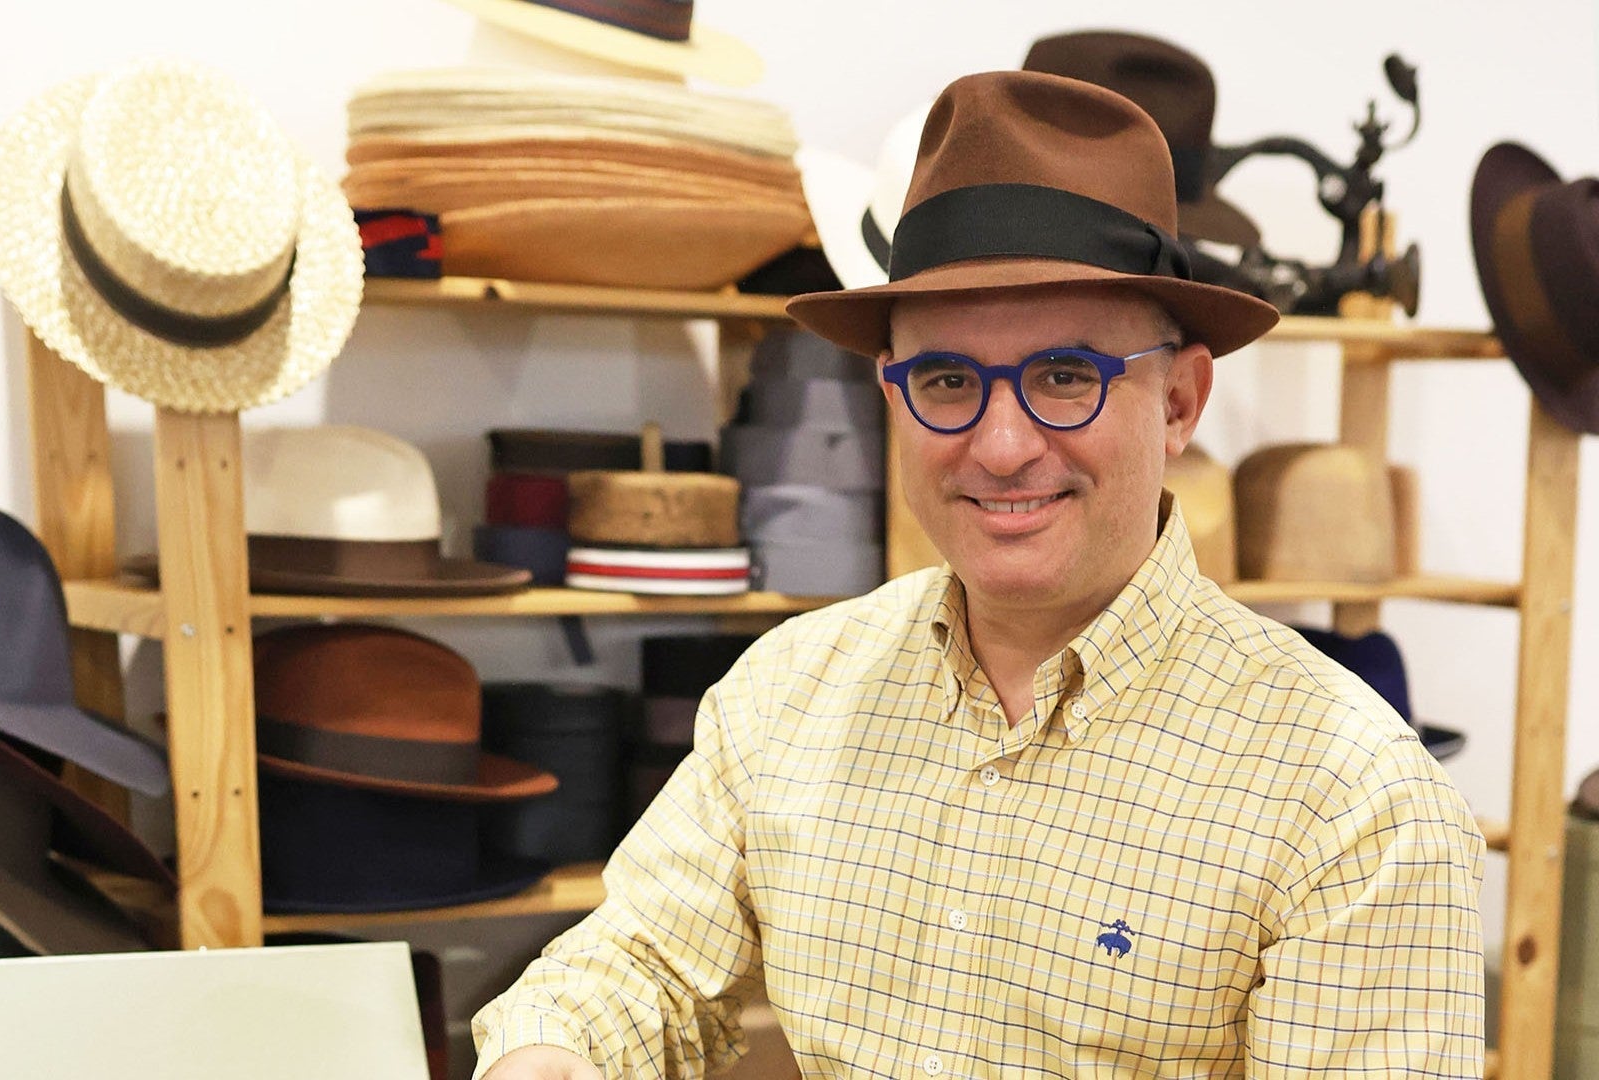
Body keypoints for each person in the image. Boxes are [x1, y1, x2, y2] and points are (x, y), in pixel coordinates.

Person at [472, 70, 1485, 1079]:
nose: (1001, 446)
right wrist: (556, 1047)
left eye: (1064, 376)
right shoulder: (789, 693)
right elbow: (642, 959)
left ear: (1178, 399)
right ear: (890, 395)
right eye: (948, 380)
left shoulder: (1353, 803)